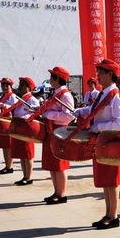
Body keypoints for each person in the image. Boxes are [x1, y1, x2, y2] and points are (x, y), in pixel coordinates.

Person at [74, 59, 120, 228]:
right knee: (105, 180)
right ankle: (108, 214)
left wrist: (98, 127)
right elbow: (94, 110)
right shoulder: (103, 93)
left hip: (111, 141)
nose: (98, 76)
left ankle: (114, 216)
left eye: (101, 73)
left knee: (112, 180)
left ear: (110, 74)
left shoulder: (117, 95)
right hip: (102, 140)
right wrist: (81, 111)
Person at [40, 67, 75, 204]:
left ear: (57, 79)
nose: (50, 80)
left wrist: (48, 115)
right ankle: (56, 192)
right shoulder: (55, 93)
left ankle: (61, 194)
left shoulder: (65, 95)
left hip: (60, 131)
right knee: (52, 164)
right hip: (51, 130)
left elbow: (68, 116)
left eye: (52, 78)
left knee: (60, 164)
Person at [11, 77, 40, 185]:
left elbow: (36, 113)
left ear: (28, 87)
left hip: (27, 129)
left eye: (22, 85)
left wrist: (26, 116)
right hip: (19, 128)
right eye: (20, 85)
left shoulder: (32, 99)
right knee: (22, 154)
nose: (20, 87)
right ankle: (24, 176)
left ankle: (29, 177)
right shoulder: (21, 99)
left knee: (28, 154)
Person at [0, 78, 18, 174]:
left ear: (10, 86)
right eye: (2, 86)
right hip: (3, 122)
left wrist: (4, 106)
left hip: (9, 123)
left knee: (8, 146)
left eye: (6, 86)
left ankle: (9, 166)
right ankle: (7, 165)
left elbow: (15, 108)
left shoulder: (12, 96)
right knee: (4, 146)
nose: (4, 87)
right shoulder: (3, 96)